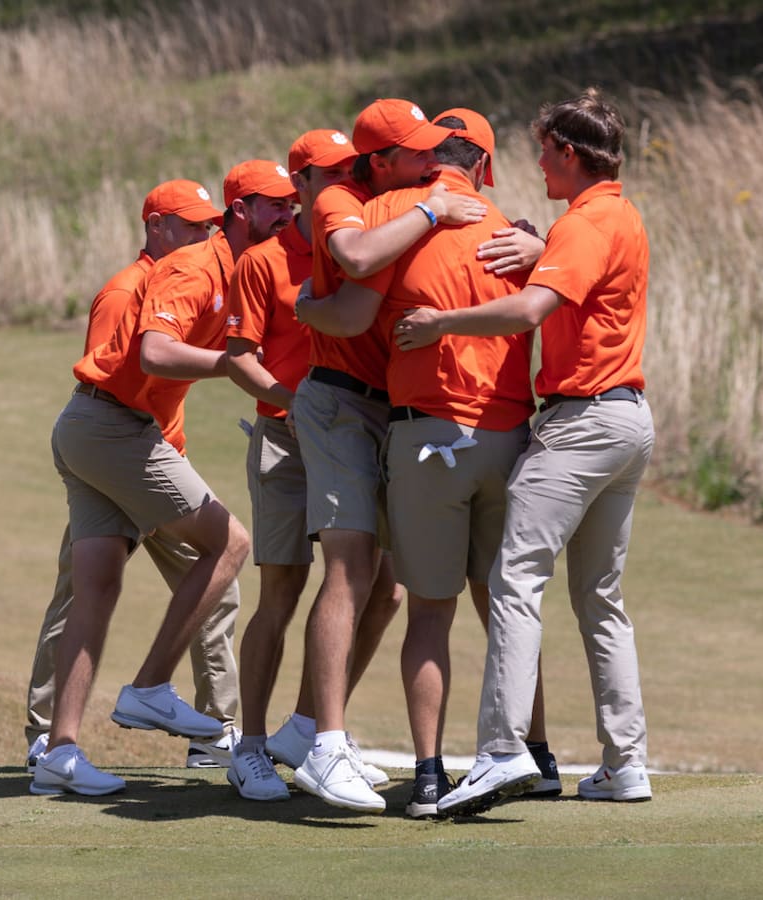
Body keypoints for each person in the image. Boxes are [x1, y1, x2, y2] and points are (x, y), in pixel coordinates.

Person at [395, 89, 656, 817]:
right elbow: (578, 280)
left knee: (512, 581)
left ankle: (502, 752)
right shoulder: (618, 214)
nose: (537, 163)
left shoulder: (582, 220)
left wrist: (439, 323)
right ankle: (625, 763)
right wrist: (546, 249)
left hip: (580, 426)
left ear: (569, 155)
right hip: (629, 422)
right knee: (600, 600)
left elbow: (530, 310)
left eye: (544, 151)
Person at [297, 109, 560, 818]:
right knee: (507, 608)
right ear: (486, 164)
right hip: (507, 434)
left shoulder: (391, 212)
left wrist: (306, 305)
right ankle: (539, 755)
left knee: (430, 615)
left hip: (426, 436)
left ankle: (430, 774)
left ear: (427, 157)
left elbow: (351, 315)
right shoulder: (515, 226)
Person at [29, 161, 296, 796]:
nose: (201, 233)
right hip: (113, 435)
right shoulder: (159, 280)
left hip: (108, 435)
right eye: (193, 224)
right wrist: (235, 366)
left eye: (206, 224)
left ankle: (58, 756)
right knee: (230, 544)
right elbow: (146, 361)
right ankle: (149, 688)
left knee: (96, 588)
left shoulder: (222, 270)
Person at [289, 99, 488, 814]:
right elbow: (355, 267)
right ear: (381, 162)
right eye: (416, 150)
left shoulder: (397, 199)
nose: (432, 158)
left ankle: (308, 729)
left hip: (388, 408)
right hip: (340, 400)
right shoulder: (349, 197)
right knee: (347, 565)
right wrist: (435, 211)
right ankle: (325, 744)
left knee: (392, 586)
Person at [221, 130, 401, 801]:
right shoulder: (265, 260)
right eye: (324, 174)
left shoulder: (357, 232)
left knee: (384, 589)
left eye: (344, 170)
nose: (338, 182)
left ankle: (316, 728)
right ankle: (253, 745)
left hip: (353, 430)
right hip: (285, 438)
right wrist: (286, 398)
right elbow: (239, 354)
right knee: (285, 590)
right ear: (299, 183)